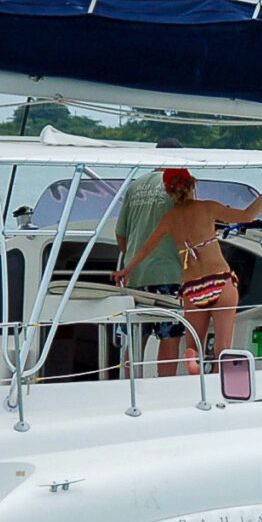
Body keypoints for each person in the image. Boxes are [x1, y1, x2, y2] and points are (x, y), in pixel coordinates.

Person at [113, 165, 262, 373]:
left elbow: (145, 248)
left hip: (193, 288)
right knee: (222, 347)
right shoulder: (208, 208)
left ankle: (195, 376)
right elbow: (248, 216)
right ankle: (217, 390)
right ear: (192, 185)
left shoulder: (169, 218)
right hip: (220, 282)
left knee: (193, 347)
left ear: (168, 191)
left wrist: (126, 270)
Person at [115, 141, 187, 375]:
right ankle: (164, 389)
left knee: (136, 335)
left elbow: (121, 234)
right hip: (169, 271)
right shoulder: (179, 183)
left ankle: (130, 386)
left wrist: (133, 259)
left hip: (136, 275)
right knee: (170, 335)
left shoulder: (136, 186)